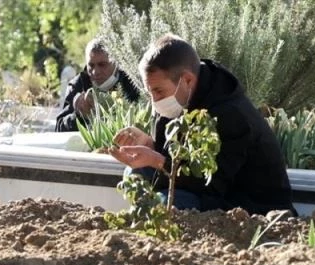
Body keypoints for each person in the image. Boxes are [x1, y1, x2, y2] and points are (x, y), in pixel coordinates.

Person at [109, 34, 294, 215]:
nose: (154, 101)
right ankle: (147, 224)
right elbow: (175, 160)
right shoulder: (180, 96)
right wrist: (150, 145)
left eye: (158, 91)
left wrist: (156, 160)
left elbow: (211, 184)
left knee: (169, 202)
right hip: (203, 190)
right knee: (135, 171)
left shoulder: (230, 114)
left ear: (188, 80)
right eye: (150, 92)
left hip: (250, 205)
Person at [55, 38, 142, 132]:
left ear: (116, 62)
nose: (95, 72)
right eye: (91, 65)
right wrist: (79, 116)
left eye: (102, 65)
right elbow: (59, 129)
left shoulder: (133, 83)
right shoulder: (78, 85)